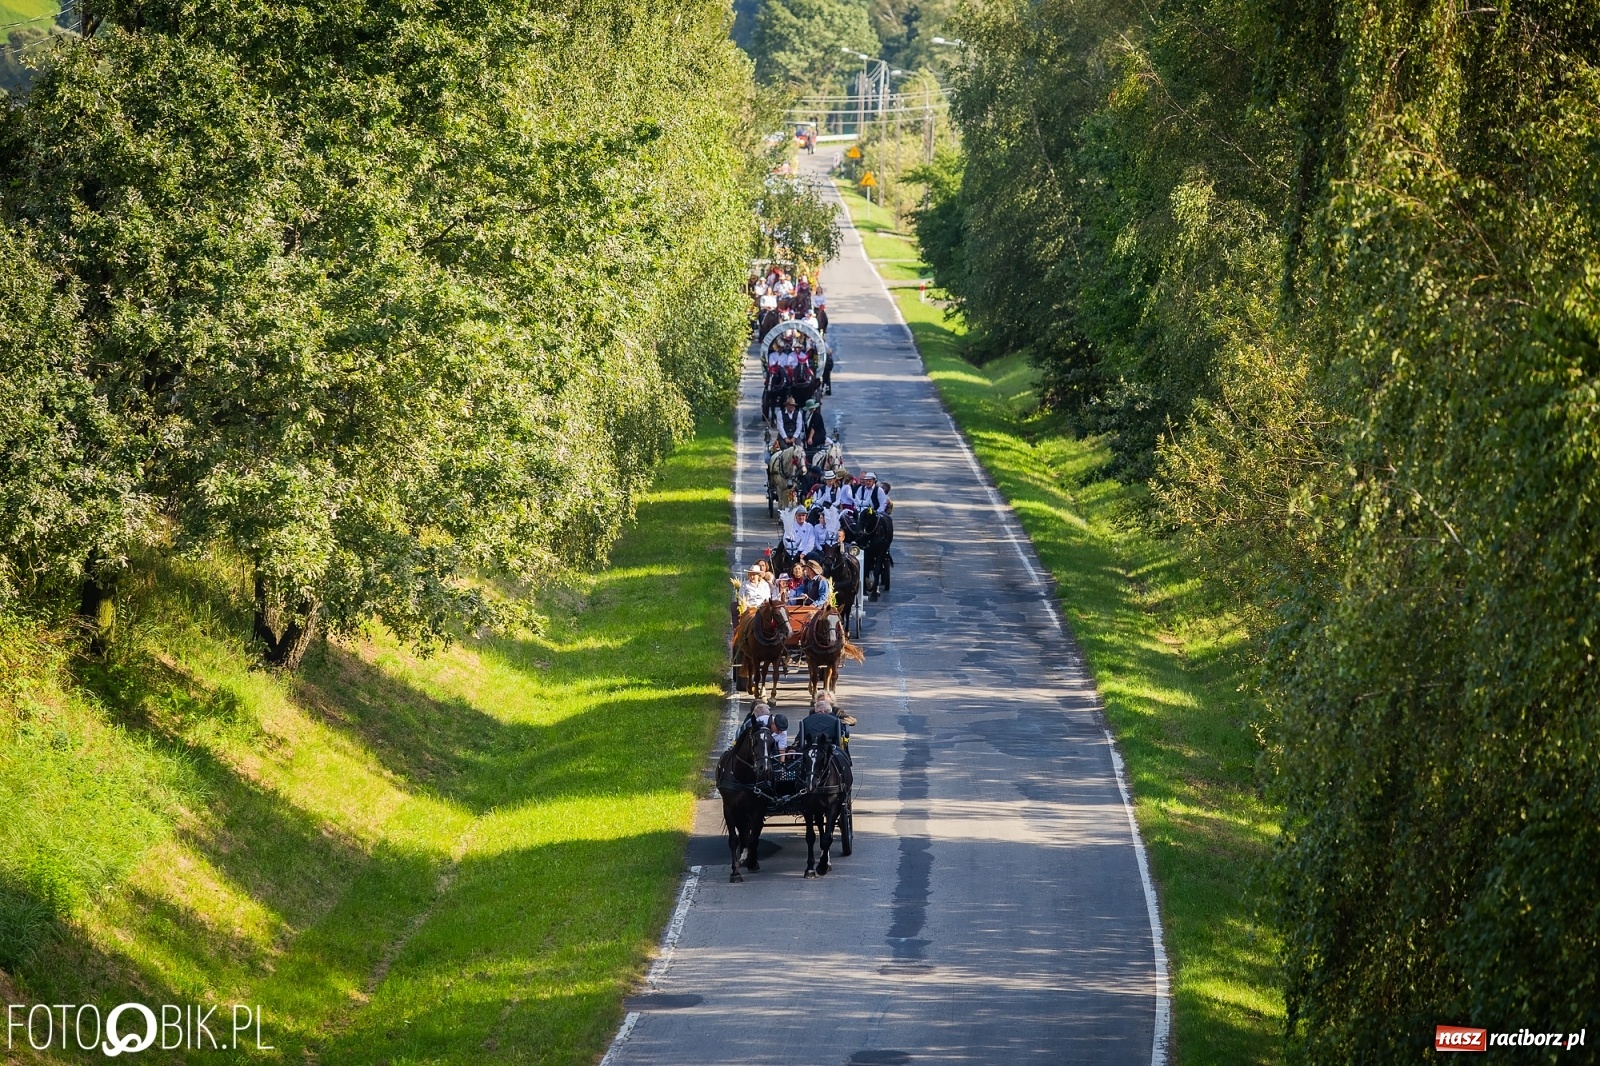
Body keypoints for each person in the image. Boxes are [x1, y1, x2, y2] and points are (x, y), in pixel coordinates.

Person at [796, 696, 850, 765]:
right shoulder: (835, 721)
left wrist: (794, 747)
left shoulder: (808, 721)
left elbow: (800, 737)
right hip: (825, 748)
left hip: (818, 748)